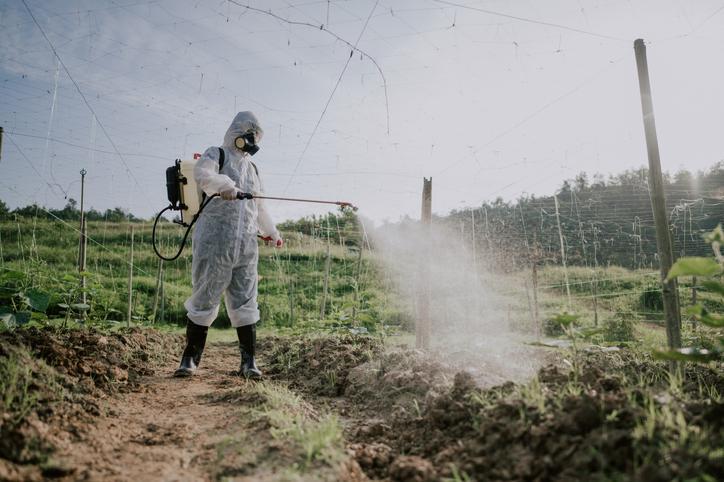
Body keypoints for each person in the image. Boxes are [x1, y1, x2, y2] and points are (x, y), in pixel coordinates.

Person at [174, 111, 282, 379]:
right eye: (249, 135)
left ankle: (249, 362)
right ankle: (190, 358)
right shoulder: (217, 154)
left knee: (246, 300)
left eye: (256, 137)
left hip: (246, 244)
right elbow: (203, 174)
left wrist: (272, 232)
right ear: (238, 133)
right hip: (215, 241)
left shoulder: (253, 169)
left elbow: (260, 206)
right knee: (204, 296)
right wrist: (225, 185)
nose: (252, 141)